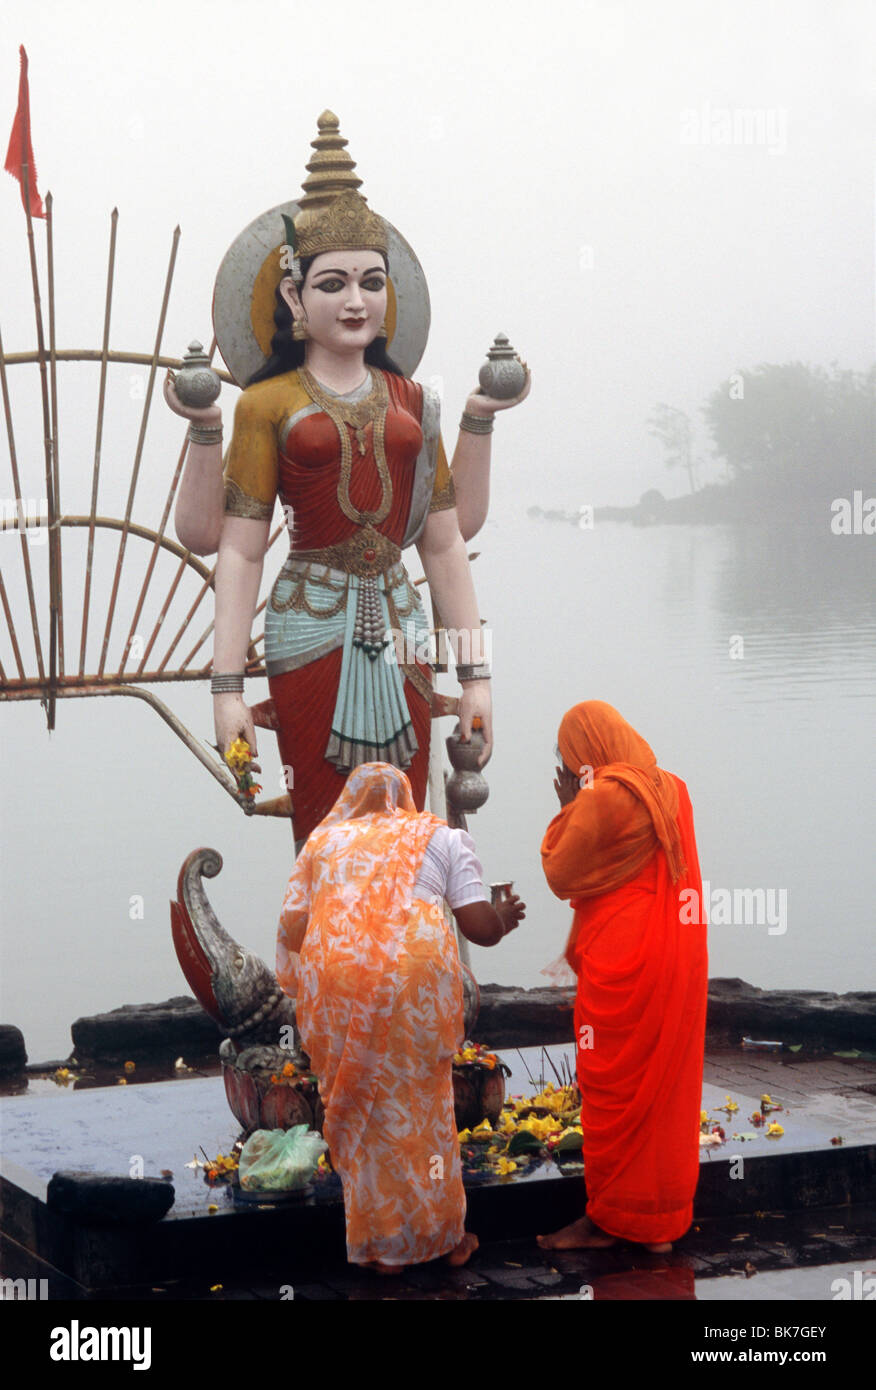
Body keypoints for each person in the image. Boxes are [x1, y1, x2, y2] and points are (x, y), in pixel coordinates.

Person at [164, 111, 529, 844]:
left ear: (391, 294)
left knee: (407, 823)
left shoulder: (413, 402)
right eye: (333, 284)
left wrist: (477, 676)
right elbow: (235, 549)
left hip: (401, 626)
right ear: (295, 298)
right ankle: (325, 956)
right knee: (326, 824)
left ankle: (405, 956)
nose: (356, 301)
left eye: (372, 281)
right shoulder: (268, 404)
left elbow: (445, 543)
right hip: (309, 624)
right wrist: (227, 686)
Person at [275, 762, 525, 1272]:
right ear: (404, 798)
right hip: (411, 981)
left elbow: (297, 929)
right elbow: (478, 926)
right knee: (420, 1105)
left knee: (364, 1111)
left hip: (336, 980)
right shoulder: (436, 835)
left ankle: (375, 1244)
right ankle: (440, 1238)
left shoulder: (323, 842)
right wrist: (506, 918)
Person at [536, 701, 708, 1253]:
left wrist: (567, 807)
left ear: (587, 751)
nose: (569, 768)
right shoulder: (672, 788)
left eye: (569, 757)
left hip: (620, 960)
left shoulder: (606, 795)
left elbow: (561, 871)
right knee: (663, 1090)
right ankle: (657, 1223)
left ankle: (609, 1219)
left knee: (611, 1088)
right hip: (670, 958)